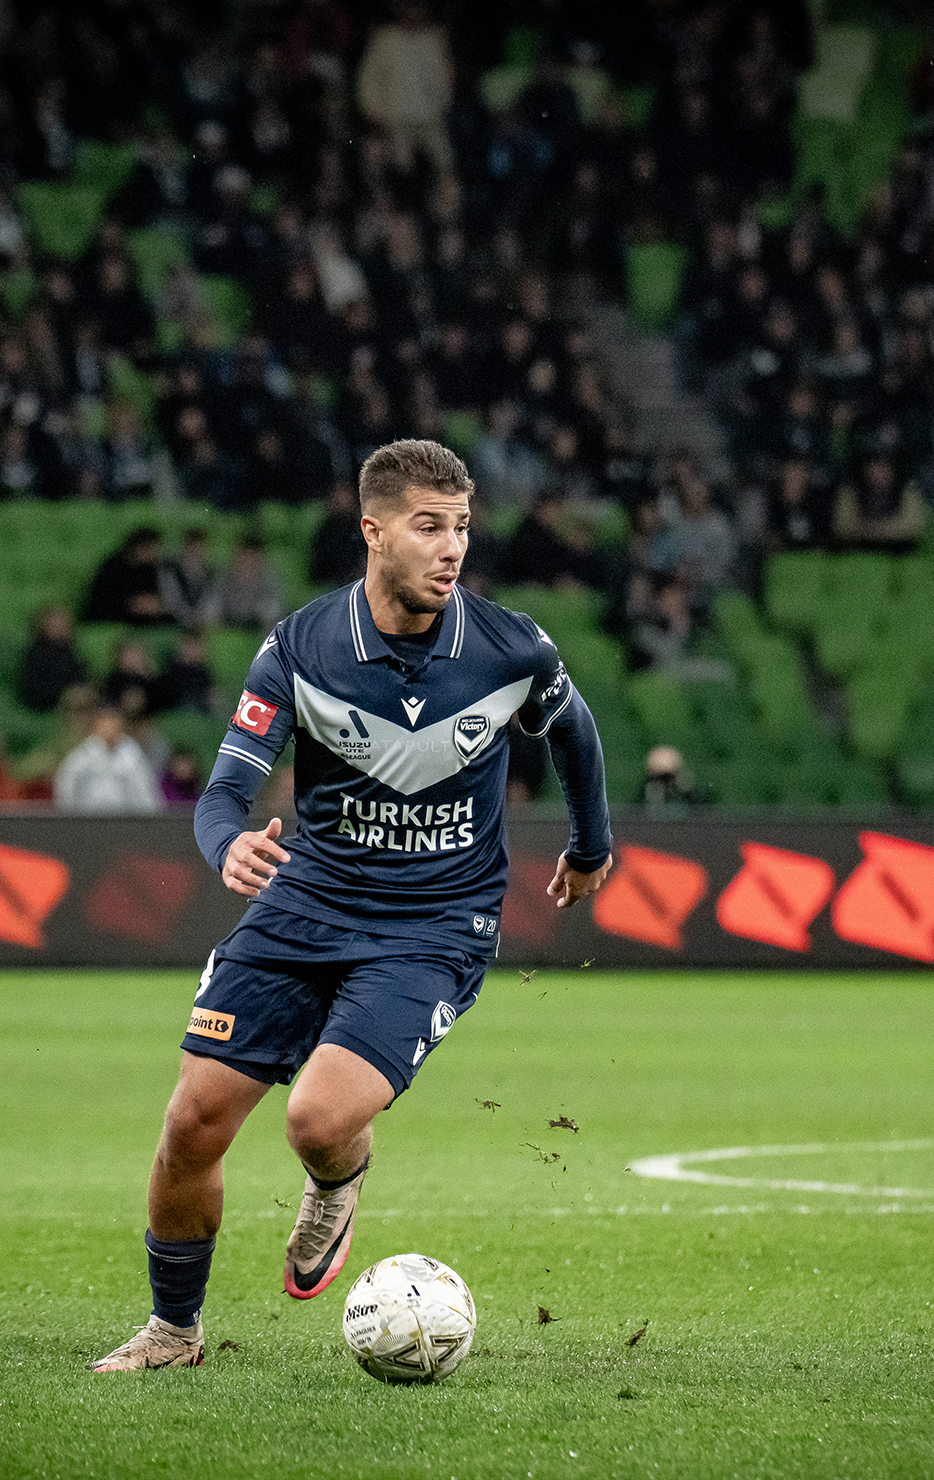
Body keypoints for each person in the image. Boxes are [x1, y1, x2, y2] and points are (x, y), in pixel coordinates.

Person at [90, 439, 615, 1372]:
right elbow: (223, 791)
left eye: (461, 528)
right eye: (428, 527)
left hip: (435, 924)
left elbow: (573, 730)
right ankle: (174, 1332)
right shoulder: (302, 647)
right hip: (307, 903)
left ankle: (337, 1179)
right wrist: (229, 845)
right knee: (191, 1122)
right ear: (373, 532)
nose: (451, 549)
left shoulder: (511, 648)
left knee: (318, 1121)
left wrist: (590, 846)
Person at [54, 703, 164, 814]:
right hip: (89, 819)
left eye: (114, 720)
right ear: (96, 723)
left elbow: (146, 791)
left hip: (126, 819)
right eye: (105, 721)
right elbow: (67, 792)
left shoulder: (132, 754)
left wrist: (152, 818)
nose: (110, 727)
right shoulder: (81, 757)